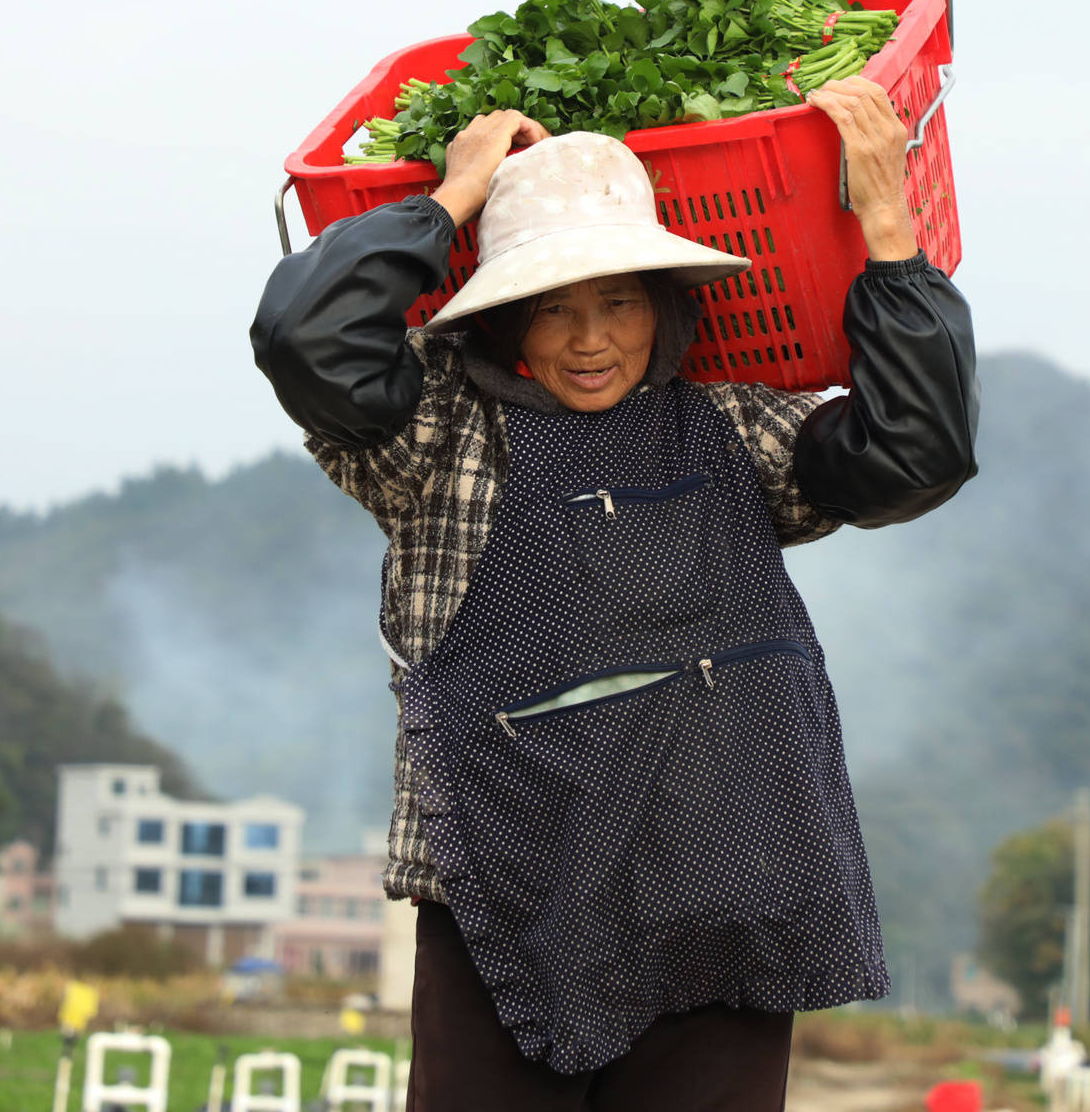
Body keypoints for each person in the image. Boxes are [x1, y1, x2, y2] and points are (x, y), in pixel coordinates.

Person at [251, 75, 979, 1109]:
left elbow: (913, 454)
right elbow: (302, 340)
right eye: (552, 311)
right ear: (502, 321)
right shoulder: (435, 442)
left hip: (718, 889)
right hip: (504, 903)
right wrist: (449, 201)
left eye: (617, 302)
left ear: (663, 303)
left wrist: (888, 229)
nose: (589, 341)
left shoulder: (733, 427)